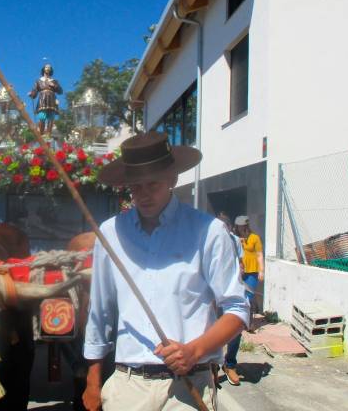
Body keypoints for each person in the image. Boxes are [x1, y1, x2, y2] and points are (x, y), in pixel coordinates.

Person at [82, 132, 249, 411]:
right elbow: (100, 312)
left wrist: (193, 350)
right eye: (135, 187)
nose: (143, 195)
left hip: (187, 386)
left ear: (172, 179)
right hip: (128, 387)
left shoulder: (208, 232)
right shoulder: (110, 234)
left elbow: (237, 309)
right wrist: (93, 380)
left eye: (153, 184)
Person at [219, 214, 253, 386]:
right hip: (214, 293)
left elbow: (241, 262)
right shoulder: (209, 241)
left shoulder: (234, 241)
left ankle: (230, 364)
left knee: (235, 329)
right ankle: (210, 367)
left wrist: (240, 269)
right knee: (211, 329)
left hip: (233, 291)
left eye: (224, 228)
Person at [28, 63, 63, 135]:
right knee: (42, 116)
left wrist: (54, 85)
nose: (48, 68)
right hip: (42, 100)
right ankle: (41, 134)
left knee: (51, 117)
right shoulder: (38, 81)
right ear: (44, 69)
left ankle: (48, 135)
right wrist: (32, 94)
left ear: (51, 70)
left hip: (52, 99)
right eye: (46, 67)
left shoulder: (54, 81)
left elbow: (60, 91)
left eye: (49, 67)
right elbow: (35, 90)